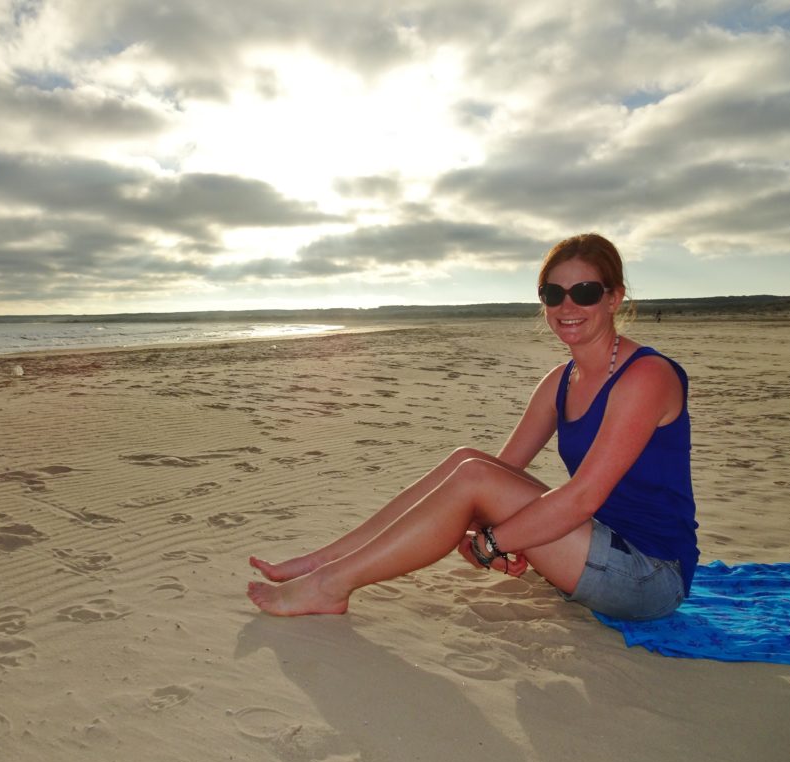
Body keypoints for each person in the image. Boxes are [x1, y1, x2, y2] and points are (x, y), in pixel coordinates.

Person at [247, 233, 698, 621]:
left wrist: (492, 543)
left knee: (474, 476)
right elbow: (499, 476)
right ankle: (322, 562)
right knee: (468, 460)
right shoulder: (560, 382)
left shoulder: (646, 376)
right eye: (552, 294)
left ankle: (330, 585)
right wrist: (496, 536)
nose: (567, 306)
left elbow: (582, 497)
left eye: (584, 292)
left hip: (651, 576)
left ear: (613, 297)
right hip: (593, 545)